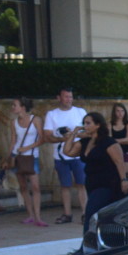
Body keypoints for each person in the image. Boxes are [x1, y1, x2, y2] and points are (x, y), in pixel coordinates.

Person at [61, 111, 128, 235]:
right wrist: (73, 134)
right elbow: (68, 152)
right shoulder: (85, 142)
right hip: (92, 183)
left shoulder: (108, 142)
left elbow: (119, 162)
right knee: (102, 214)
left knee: (90, 212)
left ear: (98, 125)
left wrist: (124, 180)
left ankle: (85, 245)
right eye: (84, 123)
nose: (85, 126)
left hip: (108, 183)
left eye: (88, 123)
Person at [43, 87, 87, 224]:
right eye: (66, 97)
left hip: (78, 156)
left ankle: (86, 214)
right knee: (65, 186)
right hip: (60, 156)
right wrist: (63, 138)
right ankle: (67, 214)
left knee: (82, 184)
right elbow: (48, 136)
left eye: (70, 97)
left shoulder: (80, 112)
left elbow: (89, 132)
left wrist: (73, 134)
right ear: (59, 98)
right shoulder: (52, 115)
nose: (69, 99)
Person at [6, 96, 45, 226]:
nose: (13, 107)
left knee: (35, 186)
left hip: (31, 155)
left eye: (15, 105)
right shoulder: (14, 122)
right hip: (18, 155)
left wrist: (27, 147)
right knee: (23, 186)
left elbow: (41, 139)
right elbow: (13, 141)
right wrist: (9, 157)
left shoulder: (35, 120)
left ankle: (38, 216)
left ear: (23, 107)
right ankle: (30, 215)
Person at [109, 102, 128, 182]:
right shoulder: (110, 124)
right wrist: (122, 140)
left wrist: (115, 141)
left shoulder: (127, 124)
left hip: (126, 151)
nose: (120, 113)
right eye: (118, 111)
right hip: (114, 152)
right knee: (114, 174)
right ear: (114, 112)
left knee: (125, 175)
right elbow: (109, 139)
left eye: (122, 111)